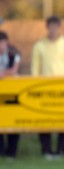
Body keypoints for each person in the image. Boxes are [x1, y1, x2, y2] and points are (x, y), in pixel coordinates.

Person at [31, 15, 64, 159]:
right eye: (50, 27)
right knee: (43, 120)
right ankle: (46, 150)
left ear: (59, 28)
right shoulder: (39, 46)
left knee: (63, 120)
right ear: (47, 27)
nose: (53, 30)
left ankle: (61, 150)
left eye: (55, 27)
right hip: (44, 89)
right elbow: (35, 69)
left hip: (63, 90)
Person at [0, 31, 21, 160]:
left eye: (2, 43)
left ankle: (11, 153)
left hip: (13, 91)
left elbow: (14, 70)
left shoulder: (14, 52)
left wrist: (3, 74)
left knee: (14, 121)